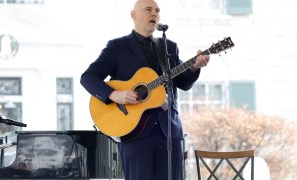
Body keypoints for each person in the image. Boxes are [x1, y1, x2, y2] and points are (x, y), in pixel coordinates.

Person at [80, 0, 210, 179]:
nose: (154, 14)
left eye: (157, 10)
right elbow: (88, 78)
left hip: (169, 132)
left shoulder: (169, 47)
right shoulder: (117, 47)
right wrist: (114, 94)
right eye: (148, 10)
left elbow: (184, 83)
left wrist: (195, 67)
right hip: (134, 133)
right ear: (133, 15)